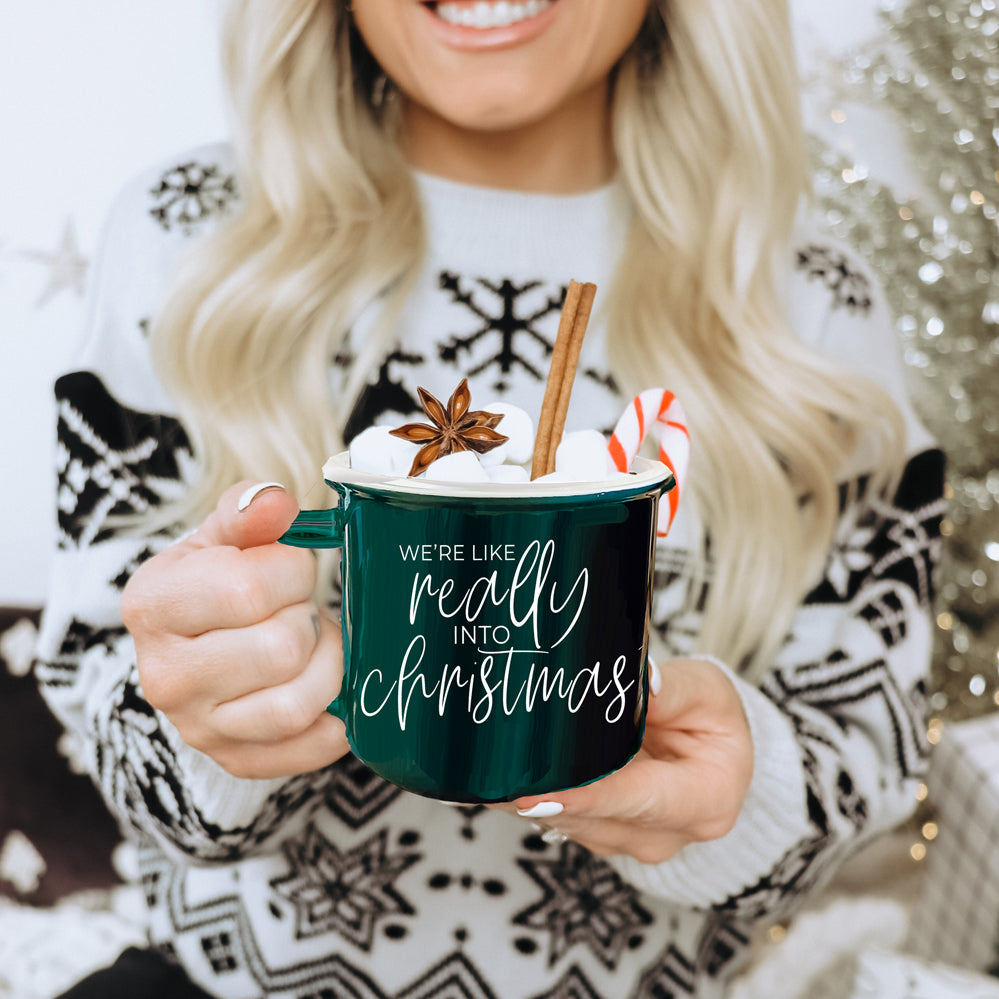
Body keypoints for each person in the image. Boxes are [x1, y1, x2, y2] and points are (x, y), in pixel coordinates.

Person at [36, 0, 946, 996]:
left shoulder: (811, 306)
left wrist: (745, 797)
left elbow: (869, 755)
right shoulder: (189, 241)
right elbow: (103, 713)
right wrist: (213, 731)